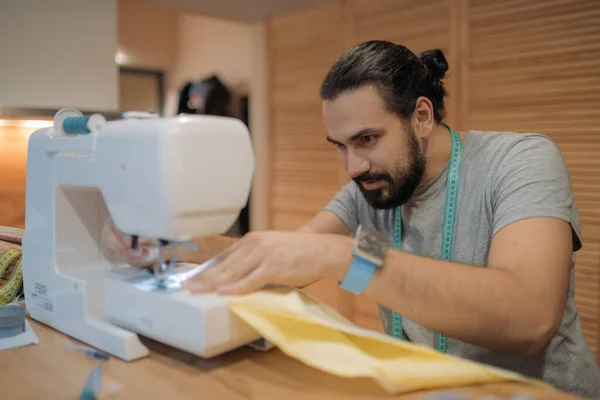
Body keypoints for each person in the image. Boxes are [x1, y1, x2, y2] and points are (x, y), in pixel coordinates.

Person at [101, 40, 600, 398]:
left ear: (422, 117)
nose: (352, 167)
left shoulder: (522, 161)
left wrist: (348, 258)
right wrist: (173, 241)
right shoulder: (373, 187)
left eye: (366, 139)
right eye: (340, 147)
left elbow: (529, 316)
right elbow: (274, 257)